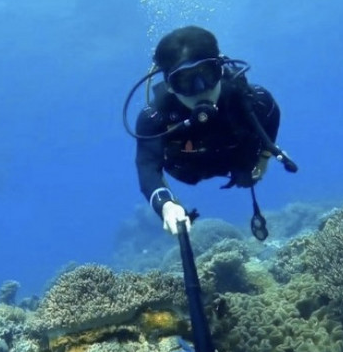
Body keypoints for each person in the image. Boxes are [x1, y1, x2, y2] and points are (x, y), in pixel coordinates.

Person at [127, 26, 296, 240]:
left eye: (207, 73)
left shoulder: (253, 100)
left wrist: (263, 160)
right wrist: (167, 206)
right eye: (185, 81)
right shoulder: (154, 119)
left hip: (236, 159)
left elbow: (272, 115)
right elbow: (147, 166)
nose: (201, 89)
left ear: (221, 69)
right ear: (170, 85)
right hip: (187, 167)